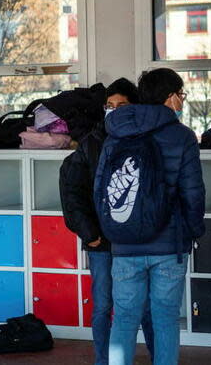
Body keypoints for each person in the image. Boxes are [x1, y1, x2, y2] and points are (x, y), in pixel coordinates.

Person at [101, 69, 205, 365]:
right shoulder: (182, 136)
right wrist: (193, 232)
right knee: (165, 319)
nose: (182, 101)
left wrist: (112, 230)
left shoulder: (116, 133)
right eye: (181, 95)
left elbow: (100, 189)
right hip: (168, 245)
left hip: (124, 242)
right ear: (170, 97)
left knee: (123, 320)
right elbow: (193, 193)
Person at [60, 78, 154, 365]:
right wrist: (90, 235)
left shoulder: (147, 140)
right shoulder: (92, 143)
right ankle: (104, 361)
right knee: (103, 306)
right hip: (102, 242)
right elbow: (72, 191)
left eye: (122, 105)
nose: (114, 111)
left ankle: (157, 358)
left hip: (138, 242)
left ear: (136, 108)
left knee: (148, 307)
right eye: (109, 106)